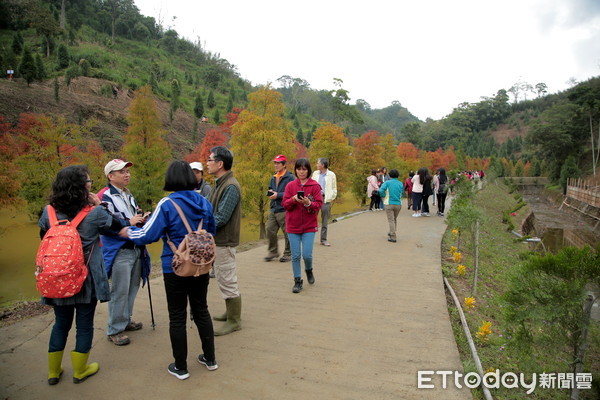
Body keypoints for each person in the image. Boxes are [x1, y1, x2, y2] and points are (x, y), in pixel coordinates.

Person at [120, 160, 218, 380]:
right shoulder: (204, 202)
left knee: (177, 316)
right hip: (201, 265)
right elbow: (212, 230)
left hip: (174, 266)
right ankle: (210, 359)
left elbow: (148, 235)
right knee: (201, 309)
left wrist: (127, 232)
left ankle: (181, 367)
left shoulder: (167, 204)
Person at [39, 165, 123, 385]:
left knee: (60, 324)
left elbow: (43, 238)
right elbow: (116, 226)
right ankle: (80, 370)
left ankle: (53, 372)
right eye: (88, 181)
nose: (91, 184)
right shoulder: (93, 213)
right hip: (86, 280)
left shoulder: (48, 212)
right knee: (84, 325)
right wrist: (99, 204)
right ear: (80, 186)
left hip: (58, 279)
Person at [101, 159, 151, 346]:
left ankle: (125, 319)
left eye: (127, 171)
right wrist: (128, 222)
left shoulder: (128, 195)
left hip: (135, 247)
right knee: (120, 290)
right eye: (121, 172)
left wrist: (141, 220)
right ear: (110, 176)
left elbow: (131, 219)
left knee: (132, 287)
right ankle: (115, 329)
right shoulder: (105, 196)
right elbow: (104, 223)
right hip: (119, 250)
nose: (126, 174)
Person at [206, 146, 243, 336]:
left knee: (227, 278)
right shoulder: (220, 183)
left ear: (220, 163)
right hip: (218, 240)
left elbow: (221, 217)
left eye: (210, 160)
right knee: (222, 276)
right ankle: (230, 312)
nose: (207, 163)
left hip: (224, 241)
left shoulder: (230, 186)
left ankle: (234, 320)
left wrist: (201, 225)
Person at [283, 158, 323, 293]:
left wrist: (308, 203)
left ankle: (309, 270)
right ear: (295, 170)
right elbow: (285, 205)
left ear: (308, 170)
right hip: (293, 226)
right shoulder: (290, 186)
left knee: (306, 254)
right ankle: (297, 281)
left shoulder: (315, 186)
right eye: (299, 169)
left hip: (309, 226)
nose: (301, 172)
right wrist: (293, 199)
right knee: (295, 255)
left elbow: (318, 205)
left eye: (304, 169)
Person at [265, 154, 295, 262]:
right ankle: (273, 251)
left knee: (287, 232)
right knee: (269, 229)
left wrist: (278, 195)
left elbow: (292, 193)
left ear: (284, 164)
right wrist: (269, 193)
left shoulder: (290, 177)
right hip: (274, 208)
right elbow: (269, 189)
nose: (276, 165)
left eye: (278, 163)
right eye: (275, 163)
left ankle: (288, 253)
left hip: (284, 208)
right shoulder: (273, 177)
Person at [311, 158, 337, 246]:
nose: (316, 164)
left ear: (322, 165)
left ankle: (323, 239)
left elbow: (334, 188)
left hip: (325, 199)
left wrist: (330, 197)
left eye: (318, 163)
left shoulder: (331, 175)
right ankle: (309, 238)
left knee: (324, 220)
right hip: (315, 198)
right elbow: (311, 184)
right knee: (312, 219)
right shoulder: (315, 173)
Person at [378, 169, 404, 242]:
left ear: (389, 175)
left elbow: (380, 191)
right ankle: (392, 232)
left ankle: (393, 236)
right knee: (394, 219)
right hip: (398, 204)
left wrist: (384, 196)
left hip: (389, 203)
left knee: (391, 220)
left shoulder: (387, 183)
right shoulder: (400, 183)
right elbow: (402, 193)